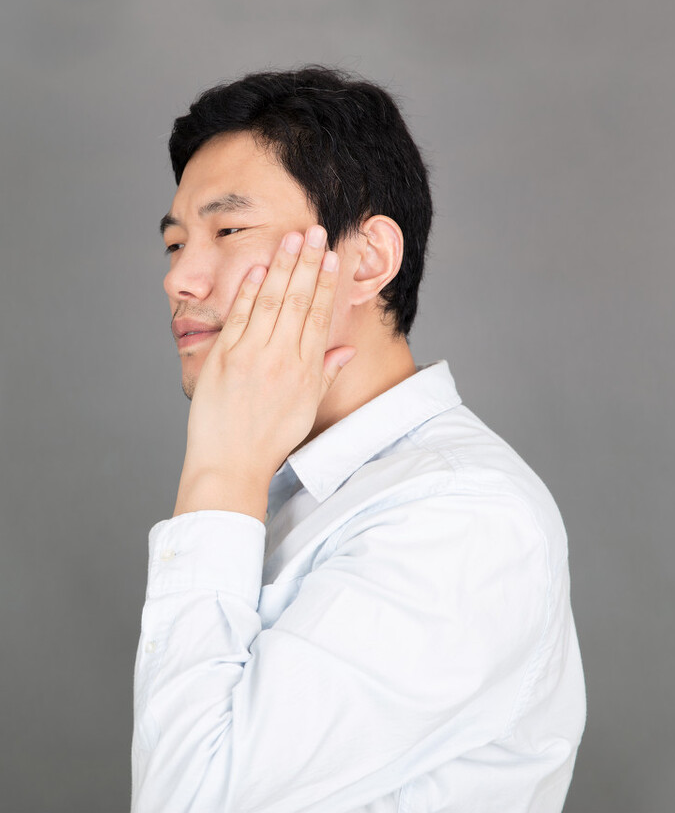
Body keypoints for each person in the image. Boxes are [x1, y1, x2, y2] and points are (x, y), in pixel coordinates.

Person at [131, 66, 585, 813]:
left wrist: (220, 468)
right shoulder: (294, 489)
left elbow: (194, 799)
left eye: (229, 230)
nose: (180, 279)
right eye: (175, 244)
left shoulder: (458, 519)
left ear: (368, 260)